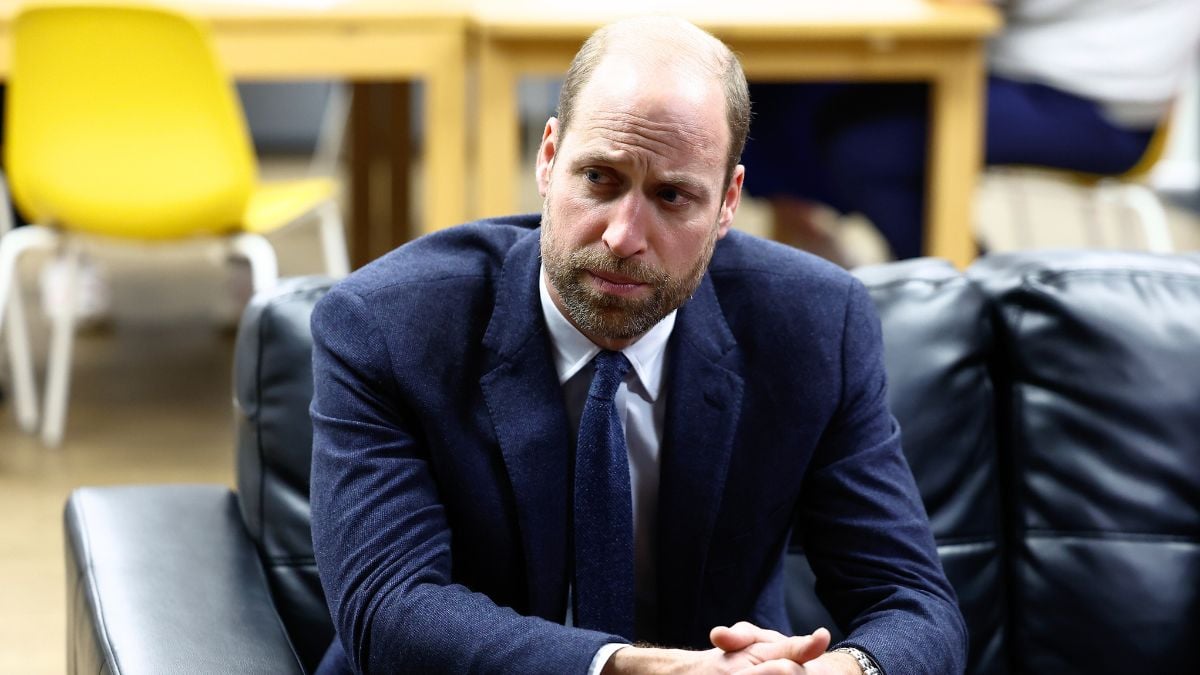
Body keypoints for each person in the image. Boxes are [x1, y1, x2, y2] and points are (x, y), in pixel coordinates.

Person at [309, 16, 965, 675]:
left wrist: (841, 670)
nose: (623, 235)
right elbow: (389, 612)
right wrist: (641, 669)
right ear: (548, 158)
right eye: (599, 178)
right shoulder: (387, 324)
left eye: (672, 195)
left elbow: (915, 606)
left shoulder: (818, 324)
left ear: (729, 202)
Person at [743, 0, 1200, 261]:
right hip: (1041, 67)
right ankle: (808, 245)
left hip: (1095, 104)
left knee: (865, 146)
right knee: (785, 94)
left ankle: (969, 298)